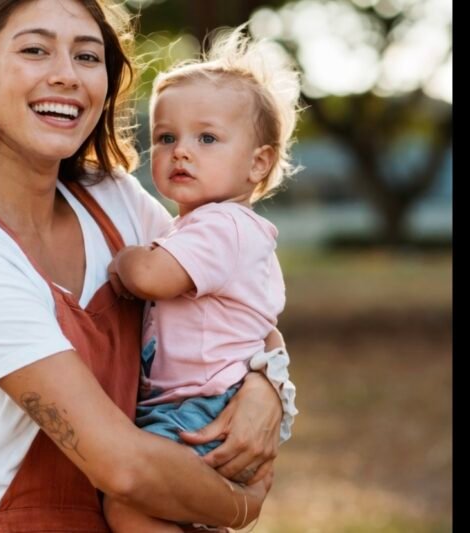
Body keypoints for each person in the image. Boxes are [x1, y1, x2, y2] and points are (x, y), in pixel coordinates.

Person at [0, 1, 296, 531]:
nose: (66, 75)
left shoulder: (114, 202)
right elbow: (123, 468)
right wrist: (243, 503)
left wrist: (268, 385)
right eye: (36, 50)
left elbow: (231, 300)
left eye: (87, 56)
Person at [102, 25, 300, 532]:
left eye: (206, 138)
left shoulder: (223, 226)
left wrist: (126, 261)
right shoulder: (202, 227)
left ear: (259, 163)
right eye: (166, 138)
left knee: (128, 505)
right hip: (202, 402)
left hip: (201, 407)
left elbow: (152, 276)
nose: (181, 151)